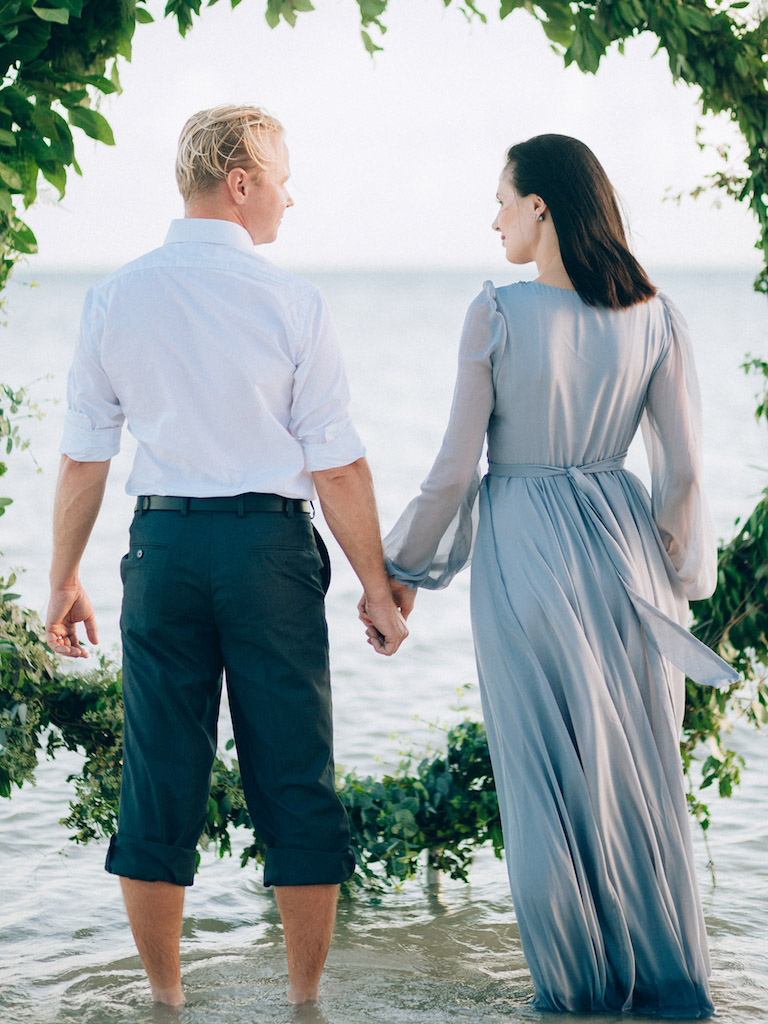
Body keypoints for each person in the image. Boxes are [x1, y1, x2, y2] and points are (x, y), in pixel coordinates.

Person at [45, 103, 408, 1008]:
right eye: (282, 177)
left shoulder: (113, 297)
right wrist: (378, 589)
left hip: (162, 549)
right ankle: (304, 1004)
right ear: (241, 181)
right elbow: (338, 458)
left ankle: (167, 1005)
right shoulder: (291, 302)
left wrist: (62, 578)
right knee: (293, 775)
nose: (291, 196)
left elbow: (87, 453)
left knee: (160, 777)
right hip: (268, 554)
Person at [376, 134, 738, 1017]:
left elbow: (456, 469)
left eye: (502, 197)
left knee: (542, 779)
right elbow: (685, 471)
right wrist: (678, 579)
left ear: (540, 206)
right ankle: (663, 986)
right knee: (639, 777)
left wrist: (401, 569)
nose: (493, 215)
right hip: (628, 560)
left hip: (527, 550)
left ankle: (576, 994)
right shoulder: (655, 315)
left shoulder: (496, 312)